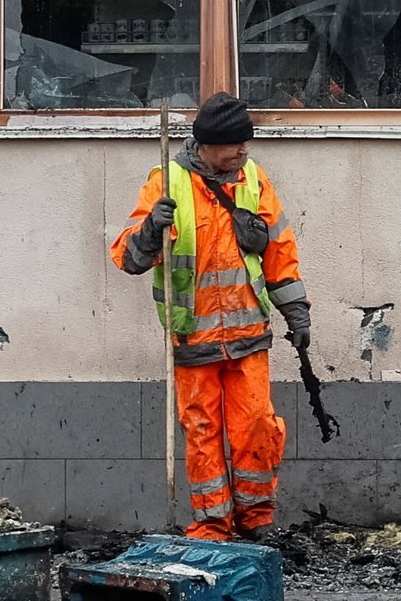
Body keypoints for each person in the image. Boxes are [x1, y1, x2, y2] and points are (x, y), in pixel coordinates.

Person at [110, 93, 313, 540]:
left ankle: (256, 521)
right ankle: (212, 526)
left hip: (248, 336)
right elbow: (127, 259)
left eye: (246, 142)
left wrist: (296, 312)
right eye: (234, 144)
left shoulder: (254, 180)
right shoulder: (167, 184)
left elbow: (280, 249)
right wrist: (149, 230)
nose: (243, 151)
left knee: (256, 429)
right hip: (193, 340)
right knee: (203, 433)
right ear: (206, 144)